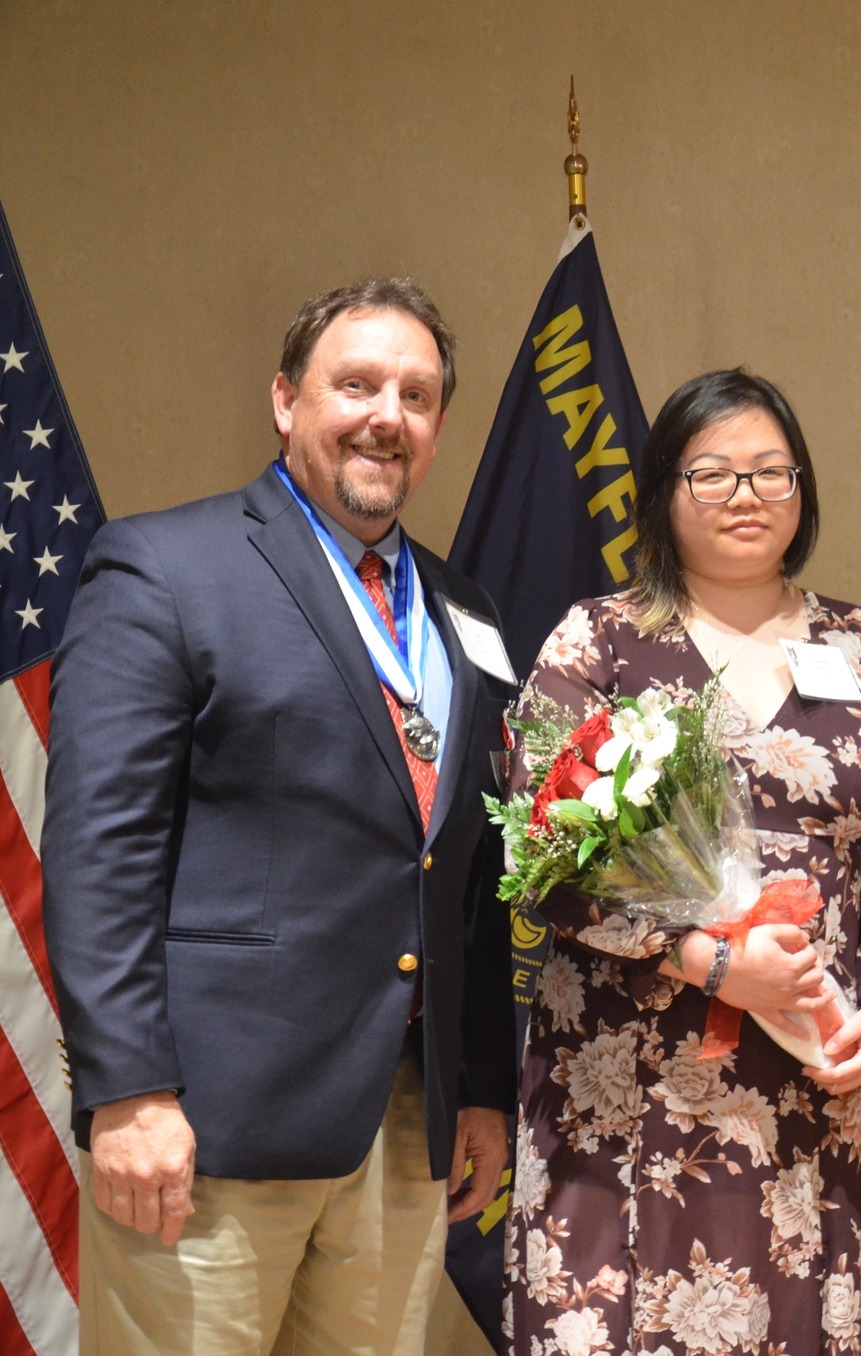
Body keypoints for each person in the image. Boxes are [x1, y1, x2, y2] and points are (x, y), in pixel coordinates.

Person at [44, 277, 517, 1353]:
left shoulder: (466, 611)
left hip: (404, 1129)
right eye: (355, 384)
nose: (385, 416)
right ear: (284, 400)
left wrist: (481, 1086)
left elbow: (470, 872)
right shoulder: (164, 568)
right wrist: (128, 1093)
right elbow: (97, 853)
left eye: (417, 394)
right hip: (208, 1127)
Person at [504, 369, 861, 1355]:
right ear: (663, 492)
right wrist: (702, 959)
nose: (744, 497)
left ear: (803, 490)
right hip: (621, 1088)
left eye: (768, 472)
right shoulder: (600, 640)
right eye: (711, 474)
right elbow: (540, 854)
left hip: (807, 1075)